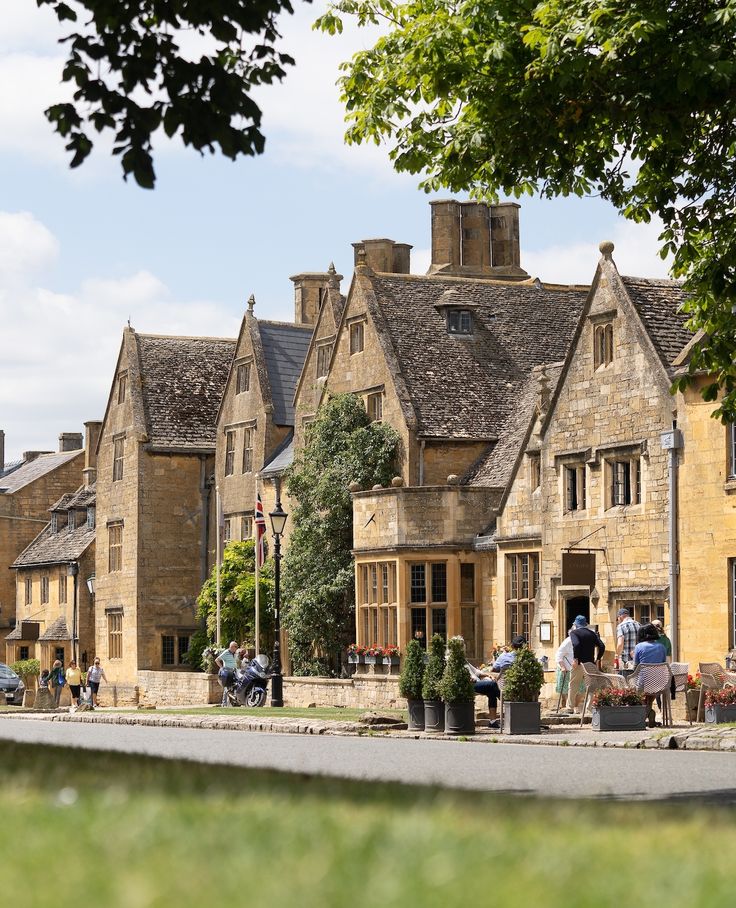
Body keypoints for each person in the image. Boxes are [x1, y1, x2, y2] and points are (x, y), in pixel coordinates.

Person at [471, 635, 526, 727]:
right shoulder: (528, 659)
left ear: (512, 646)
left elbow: (493, 669)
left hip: (505, 687)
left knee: (493, 689)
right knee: (491, 688)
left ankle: (493, 721)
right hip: (525, 689)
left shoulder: (503, 657)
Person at [568, 615, 606, 714]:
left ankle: (570, 707)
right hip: (590, 664)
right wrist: (598, 659)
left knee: (573, 685)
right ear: (585, 624)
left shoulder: (574, 633)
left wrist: (576, 658)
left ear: (576, 624)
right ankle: (588, 708)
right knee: (591, 687)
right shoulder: (592, 634)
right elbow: (601, 646)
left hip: (579, 664)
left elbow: (576, 644)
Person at [215, 641, 239, 706]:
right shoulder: (226, 652)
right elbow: (217, 660)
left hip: (234, 671)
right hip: (228, 672)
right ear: (231, 647)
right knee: (227, 687)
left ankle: (232, 702)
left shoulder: (235, 653)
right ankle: (224, 703)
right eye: (236, 646)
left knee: (234, 685)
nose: (237, 648)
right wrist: (222, 668)